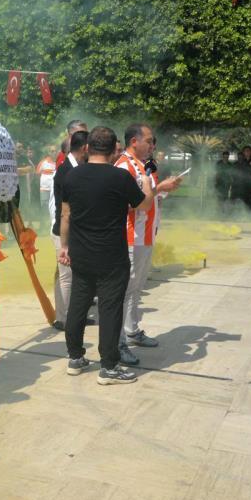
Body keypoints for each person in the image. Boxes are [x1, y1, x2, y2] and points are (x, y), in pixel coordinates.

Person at [57, 127, 180, 385]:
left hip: (80, 251)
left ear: (88, 147)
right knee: (110, 309)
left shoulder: (71, 176)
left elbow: (65, 215)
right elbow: (144, 204)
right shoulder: (120, 177)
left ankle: (75, 357)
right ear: (114, 149)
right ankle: (109, 366)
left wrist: (64, 246)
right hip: (111, 254)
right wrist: (146, 182)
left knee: (79, 303)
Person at [114, 124, 162, 368]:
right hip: (131, 237)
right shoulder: (124, 166)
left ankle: (131, 330)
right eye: (149, 141)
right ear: (134, 141)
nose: (152, 145)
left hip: (145, 236)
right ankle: (118, 342)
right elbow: (127, 203)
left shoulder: (142, 165)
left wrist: (161, 189)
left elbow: (149, 197)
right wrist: (157, 190)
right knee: (125, 290)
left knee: (136, 288)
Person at [49, 129, 89, 331]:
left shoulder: (75, 167)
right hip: (63, 231)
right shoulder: (67, 170)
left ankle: (73, 315)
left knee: (73, 276)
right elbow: (66, 211)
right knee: (66, 276)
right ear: (85, 148)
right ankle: (64, 319)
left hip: (73, 230)